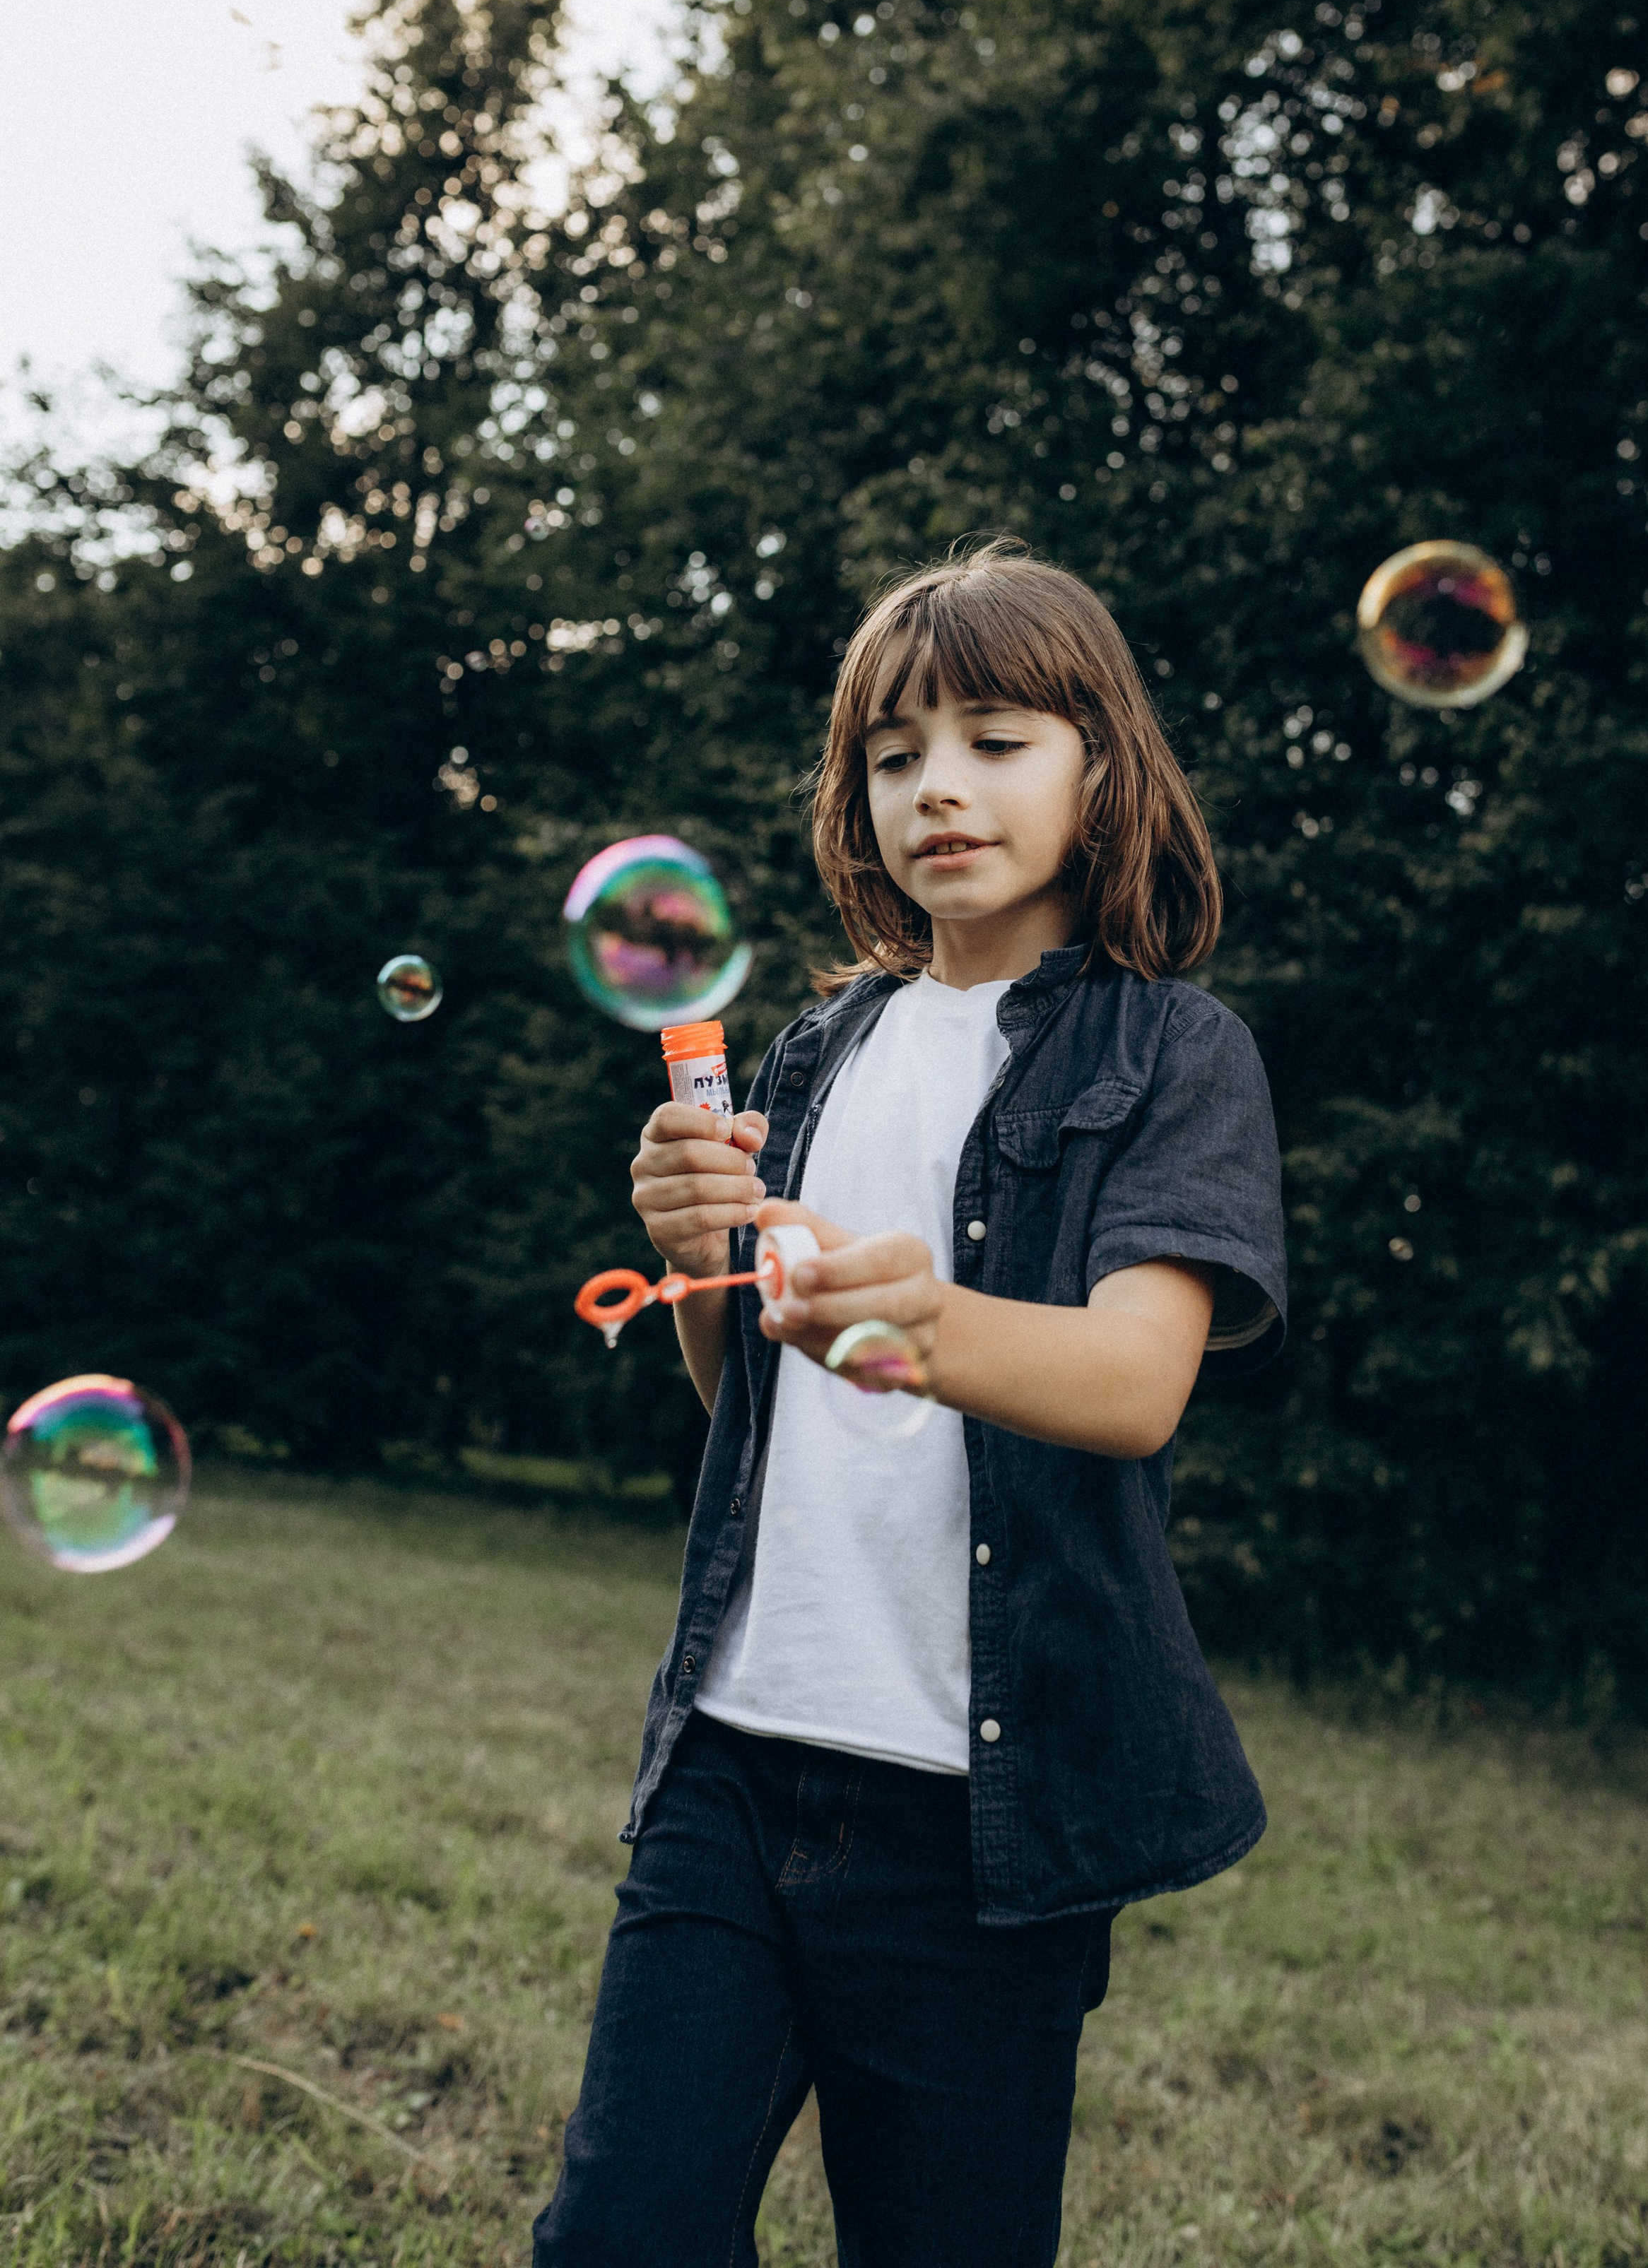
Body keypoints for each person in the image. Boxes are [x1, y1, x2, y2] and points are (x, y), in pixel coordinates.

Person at [533, 538, 1286, 2268]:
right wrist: (701, 1261)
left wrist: (925, 1325)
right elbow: (747, 1394)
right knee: (612, 2238)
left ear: (1103, 769)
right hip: (732, 1756)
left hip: (976, 1822)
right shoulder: (817, 1049)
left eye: (996, 737)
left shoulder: (1171, 1053)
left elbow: (1131, 1383)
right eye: (892, 755)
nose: (935, 787)